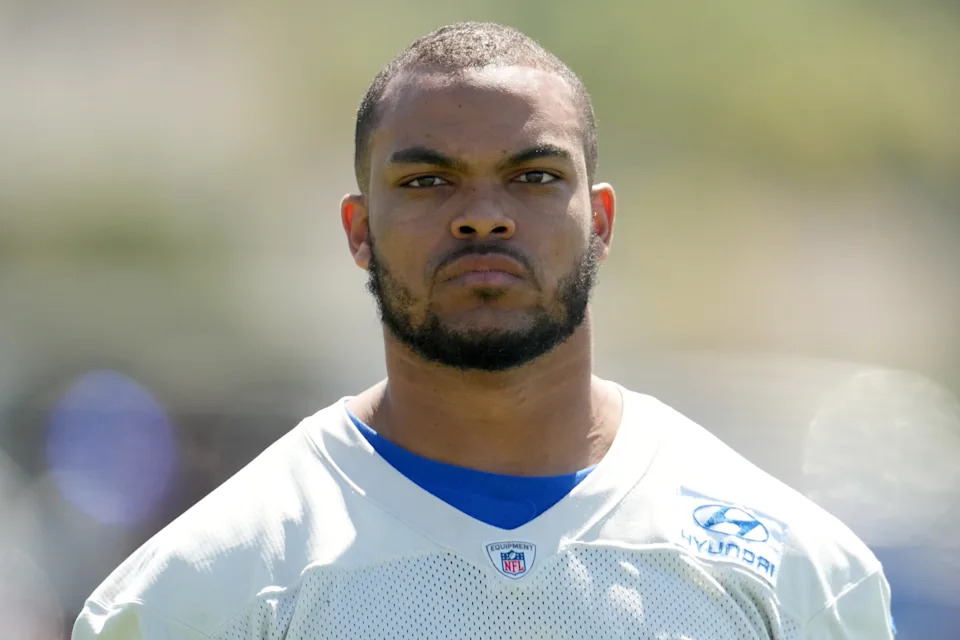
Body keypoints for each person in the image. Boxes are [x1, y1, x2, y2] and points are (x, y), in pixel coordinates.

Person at [73, 22, 894, 639]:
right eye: (429, 180)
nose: (483, 218)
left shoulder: (792, 570)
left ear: (599, 221)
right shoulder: (204, 588)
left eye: (533, 177)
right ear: (359, 229)